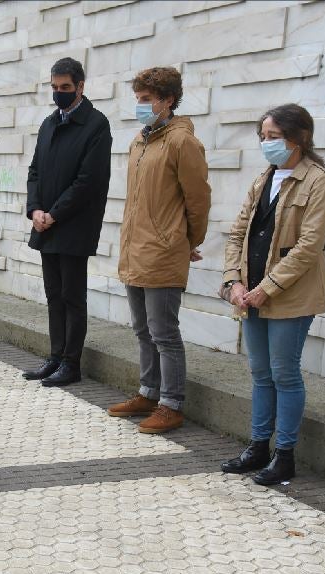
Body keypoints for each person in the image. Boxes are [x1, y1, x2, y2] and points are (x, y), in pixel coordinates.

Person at [219, 104, 325, 486]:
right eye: (263, 137)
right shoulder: (262, 179)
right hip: (249, 295)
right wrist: (235, 282)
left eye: (273, 137)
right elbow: (238, 234)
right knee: (260, 373)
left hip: (290, 297)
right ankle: (257, 447)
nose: (266, 144)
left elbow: (309, 246)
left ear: (299, 138)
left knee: (285, 373)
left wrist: (266, 289)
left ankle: (284, 456)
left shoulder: (318, 180)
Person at [106, 66, 211, 434]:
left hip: (163, 250)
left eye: (147, 99)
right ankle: (148, 392)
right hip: (136, 248)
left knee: (164, 331)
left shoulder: (183, 142)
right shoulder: (141, 140)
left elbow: (198, 200)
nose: (140, 105)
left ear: (168, 100)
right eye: (138, 99)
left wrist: (189, 241)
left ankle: (172, 403)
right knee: (142, 329)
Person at [24, 57, 113, 387]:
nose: (59, 93)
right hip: (45, 224)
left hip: (74, 225)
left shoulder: (96, 126)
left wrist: (54, 213)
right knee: (53, 295)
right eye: (54, 88)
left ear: (80, 86)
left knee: (73, 297)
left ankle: (71, 363)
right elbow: (34, 171)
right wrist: (35, 210)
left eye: (65, 88)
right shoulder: (49, 123)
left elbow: (88, 181)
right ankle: (55, 355)